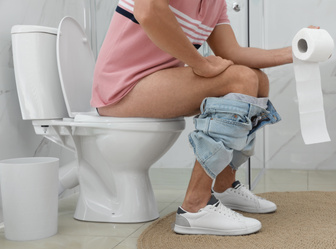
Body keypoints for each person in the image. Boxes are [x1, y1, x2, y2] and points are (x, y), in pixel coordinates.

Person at [92, 0, 317, 236]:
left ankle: (224, 186)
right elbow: (148, 11)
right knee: (241, 79)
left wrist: (296, 51)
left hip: (156, 82)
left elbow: (232, 53)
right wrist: (200, 65)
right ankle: (195, 206)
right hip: (120, 87)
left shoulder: (215, 4)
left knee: (258, 80)